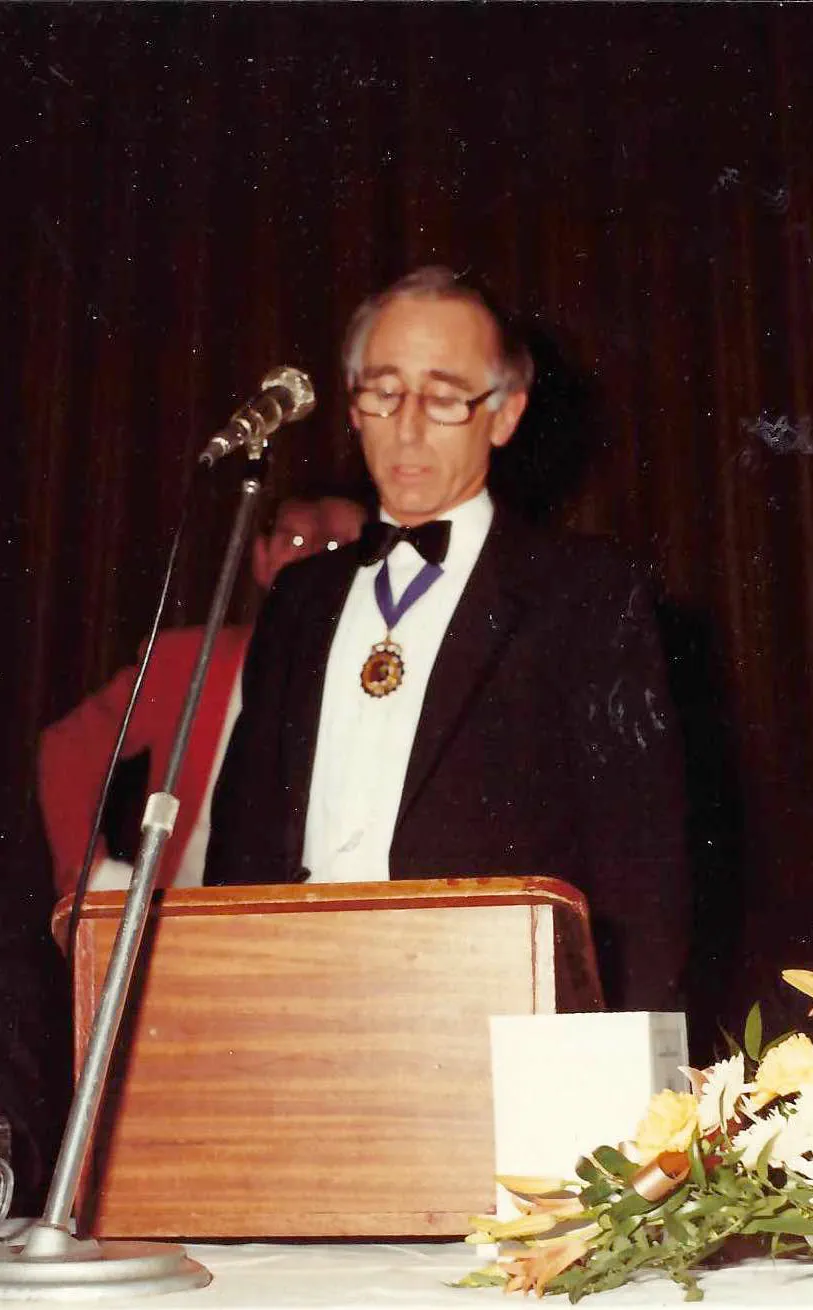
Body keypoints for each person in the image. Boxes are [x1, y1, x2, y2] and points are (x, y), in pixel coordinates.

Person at [204, 266, 690, 1012]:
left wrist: (626, 1072)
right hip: (294, 1006)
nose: (406, 425)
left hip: (488, 1012)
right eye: (384, 391)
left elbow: (640, 865)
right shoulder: (299, 601)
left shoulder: (585, 592)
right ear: (353, 405)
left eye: (442, 397)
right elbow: (237, 844)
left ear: (503, 415)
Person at [38, 494, 365, 895]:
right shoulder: (186, 661)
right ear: (261, 557)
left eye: (337, 546)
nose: (313, 558)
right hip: (187, 926)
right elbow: (69, 746)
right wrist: (91, 873)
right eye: (294, 541)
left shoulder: (390, 676)